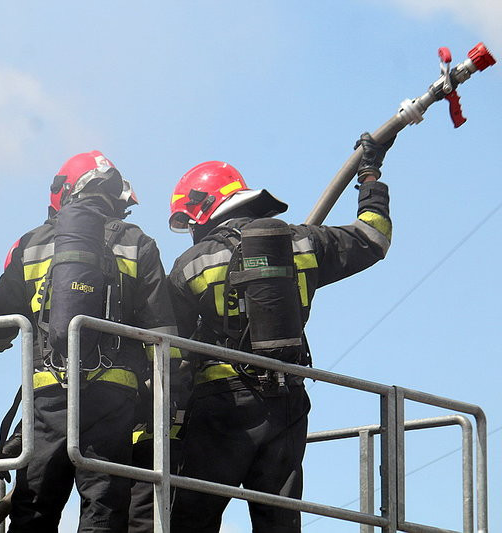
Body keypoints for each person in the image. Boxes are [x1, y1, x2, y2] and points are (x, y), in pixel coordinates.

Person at [167, 133, 394, 532]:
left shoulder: (191, 263)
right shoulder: (304, 241)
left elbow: (172, 350)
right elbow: (373, 237)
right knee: (279, 520)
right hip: (288, 399)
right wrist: (370, 175)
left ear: (202, 210)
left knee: (192, 518)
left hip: (221, 406)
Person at [0, 150, 178, 533]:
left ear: (65, 191)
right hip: (113, 396)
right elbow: (165, 339)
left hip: (48, 394)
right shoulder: (138, 243)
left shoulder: (32, 244)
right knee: (105, 507)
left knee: (34, 506)